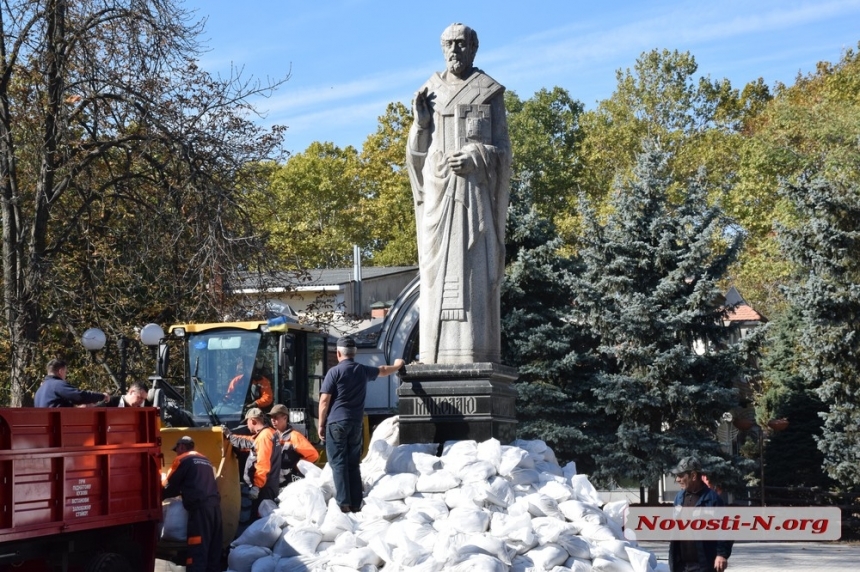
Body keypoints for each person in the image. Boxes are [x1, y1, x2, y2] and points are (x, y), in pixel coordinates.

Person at [407, 23, 511, 364]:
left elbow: (504, 154)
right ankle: (435, 355)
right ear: (442, 48)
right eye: (449, 44)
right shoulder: (429, 91)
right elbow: (415, 156)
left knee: (473, 278)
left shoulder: (488, 91)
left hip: (473, 199)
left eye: (461, 44)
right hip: (438, 196)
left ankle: (473, 350)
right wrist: (421, 125)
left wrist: (476, 157)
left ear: (474, 47)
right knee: (435, 275)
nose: (455, 50)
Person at [318, 336, 405, 512]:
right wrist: (397, 365)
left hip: (336, 422)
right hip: (356, 423)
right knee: (353, 462)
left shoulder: (334, 372)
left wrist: (320, 424)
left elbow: (324, 401)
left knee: (338, 463)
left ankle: (344, 503)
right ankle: (356, 503)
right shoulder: (362, 370)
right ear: (354, 354)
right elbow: (382, 370)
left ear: (338, 353)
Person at [162, 436, 223, 572]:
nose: (176, 453)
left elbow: (170, 485)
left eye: (176, 449)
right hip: (215, 507)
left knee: (197, 548)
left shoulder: (182, 459)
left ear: (182, 447)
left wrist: (158, 497)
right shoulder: (205, 460)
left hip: (199, 510)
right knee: (213, 550)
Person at [668, 457, 733, 572]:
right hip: (680, 566)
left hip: (703, 566)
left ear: (693, 476)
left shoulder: (713, 500)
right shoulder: (679, 497)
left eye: (681, 475)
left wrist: (721, 554)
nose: (677, 479)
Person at [222, 407, 281, 520]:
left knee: (261, 521)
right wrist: (230, 436)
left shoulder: (264, 437)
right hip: (269, 485)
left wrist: (256, 487)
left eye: (247, 422)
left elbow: (263, 463)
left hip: (263, 488)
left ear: (253, 421)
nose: (247, 426)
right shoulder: (269, 433)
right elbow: (249, 443)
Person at [269, 403, 319, 485]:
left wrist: (297, 466)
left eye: (275, 417)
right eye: (271, 417)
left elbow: (313, 455)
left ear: (285, 418)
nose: (272, 420)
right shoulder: (272, 435)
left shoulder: (295, 436)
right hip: (276, 479)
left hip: (290, 480)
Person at [34, 359, 110, 407]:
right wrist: (102, 396)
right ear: (60, 371)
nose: (65, 375)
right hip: (60, 428)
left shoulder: (40, 390)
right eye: (65, 372)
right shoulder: (57, 384)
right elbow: (79, 396)